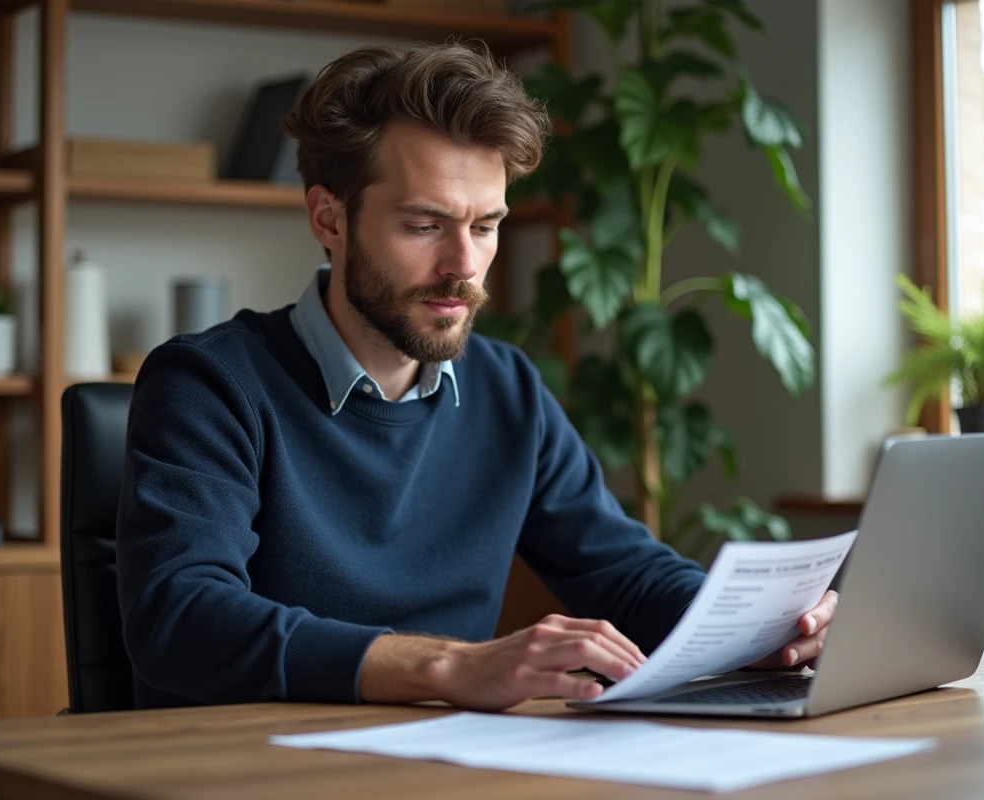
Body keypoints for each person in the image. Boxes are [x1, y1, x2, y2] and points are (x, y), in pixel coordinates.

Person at [115, 40, 837, 712]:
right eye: (425, 226)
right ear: (329, 219)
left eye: (485, 227)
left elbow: (627, 574)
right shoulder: (209, 383)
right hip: (255, 769)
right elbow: (181, 617)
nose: (463, 266)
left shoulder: (506, 389)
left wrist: (764, 627)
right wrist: (448, 667)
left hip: (449, 766)